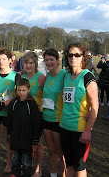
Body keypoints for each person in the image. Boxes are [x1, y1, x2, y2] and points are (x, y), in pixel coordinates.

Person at [61, 42, 98, 176]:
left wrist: (88, 130)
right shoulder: (66, 76)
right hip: (64, 126)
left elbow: (95, 106)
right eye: (70, 55)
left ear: (83, 57)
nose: (73, 58)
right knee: (69, 164)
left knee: (79, 165)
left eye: (77, 54)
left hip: (80, 129)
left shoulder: (87, 77)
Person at [7, 78, 42, 177]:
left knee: (27, 160)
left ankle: (27, 174)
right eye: (19, 90)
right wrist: (9, 133)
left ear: (29, 90)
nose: (21, 93)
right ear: (16, 90)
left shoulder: (32, 104)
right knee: (16, 158)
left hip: (28, 138)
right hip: (15, 137)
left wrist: (35, 137)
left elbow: (36, 122)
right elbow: (9, 119)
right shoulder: (13, 103)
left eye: (23, 90)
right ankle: (15, 173)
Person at [21, 51, 46, 177]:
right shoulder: (22, 75)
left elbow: (49, 95)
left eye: (31, 63)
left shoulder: (41, 77)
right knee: (26, 141)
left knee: (38, 143)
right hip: (23, 114)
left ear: (35, 64)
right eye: (26, 63)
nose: (28, 65)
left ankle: (39, 168)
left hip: (37, 116)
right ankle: (26, 164)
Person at [42, 49, 66, 177]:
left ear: (58, 61)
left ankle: (64, 174)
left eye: (51, 59)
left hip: (59, 119)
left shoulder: (64, 76)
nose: (49, 62)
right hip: (46, 118)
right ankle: (53, 174)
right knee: (51, 150)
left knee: (60, 151)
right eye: (46, 60)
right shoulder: (47, 76)